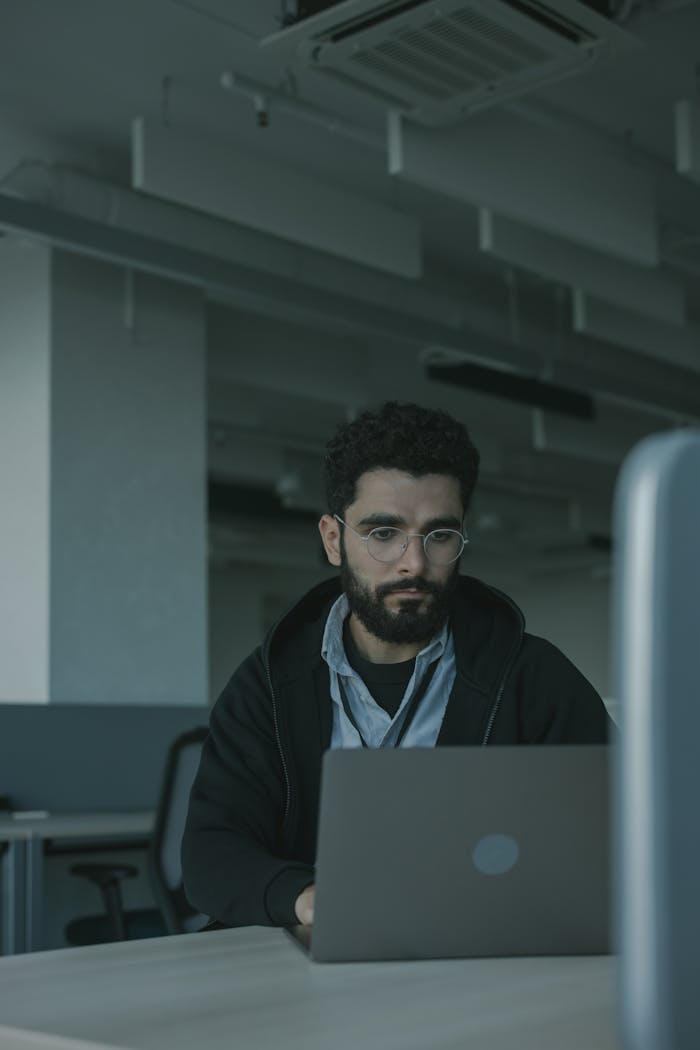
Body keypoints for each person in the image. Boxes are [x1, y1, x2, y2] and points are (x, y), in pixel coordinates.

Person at [181, 401, 611, 930]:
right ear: (334, 540)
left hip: (477, 961)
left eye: (440, 535)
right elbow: (210, 854)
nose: (413, 562)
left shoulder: (532, 679)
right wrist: (312, 899)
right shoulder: (269, 684)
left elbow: (623, 831)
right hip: (306, 967)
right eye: (383, 533)